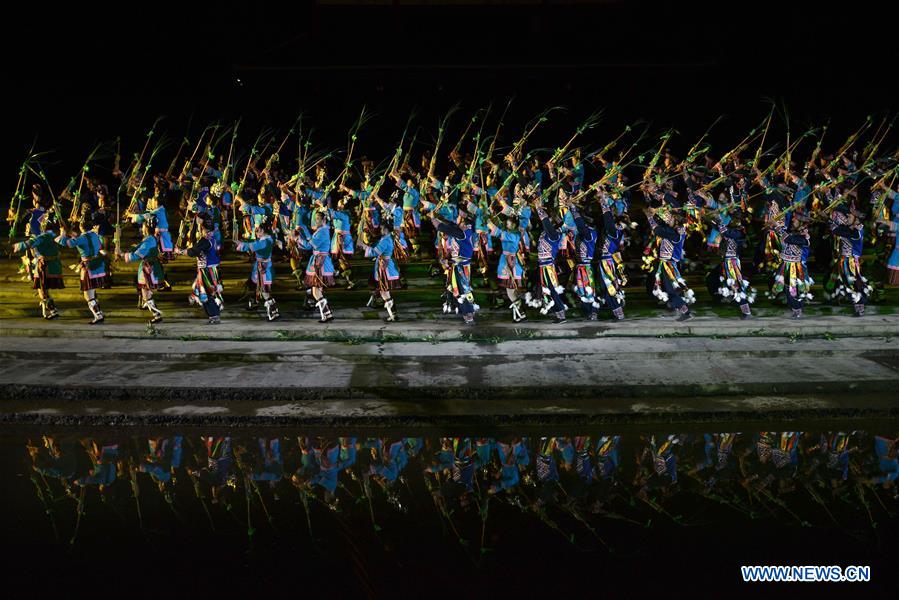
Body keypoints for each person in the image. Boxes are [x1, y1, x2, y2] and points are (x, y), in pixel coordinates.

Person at [56, 215, 109, 324]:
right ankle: (99, 314)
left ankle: (98, 315)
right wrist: (72, 235)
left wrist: (62, 233)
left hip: (88, 267)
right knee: (92, 292)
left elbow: (67, 243)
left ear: (81, 226)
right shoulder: (95, 235)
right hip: (98, 265)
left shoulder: (82, 238)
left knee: (88, 294)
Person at [11, 211, 64, 319]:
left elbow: (29, 244)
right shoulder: (55, 235)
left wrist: (15, 246)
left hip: (45, 267)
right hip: (54, 266)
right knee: (44, 289)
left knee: (42, 289)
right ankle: (51, 309)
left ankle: (53, 310)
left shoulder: (42, 238)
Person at [176, 214, 224, 324]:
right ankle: (213, 314)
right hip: (208, 269)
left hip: (207, 271)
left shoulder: (206, 240)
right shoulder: (211, 237)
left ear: (203, 228)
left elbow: (193, 251)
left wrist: (180, 252)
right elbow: (194, 244)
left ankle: (214, 315)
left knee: (207, 292)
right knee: (204, 290)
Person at [118, 216, 165, 323]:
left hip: (149, 268)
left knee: (146, 293)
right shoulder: (150, 238)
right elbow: (137, 247)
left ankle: (157, 315)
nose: (142, 228)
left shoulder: (149, 240)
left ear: (147, 228)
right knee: (146, 292)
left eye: (143, 226)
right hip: (149, 267)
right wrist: (124, 252)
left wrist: (123, 255)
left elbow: (138, 254)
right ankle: (154, 312)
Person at [235, 221, 280, 321]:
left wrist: (240, 245)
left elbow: (253, 246)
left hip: (263, 268)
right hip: (263, 266)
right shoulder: (269, 239)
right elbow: (254, 244)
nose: (256, 232)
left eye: (258, 230)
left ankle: (272, 312)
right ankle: (257, 304)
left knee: (264, 290)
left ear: (263, 231)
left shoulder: (264, 242)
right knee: (255, 285)